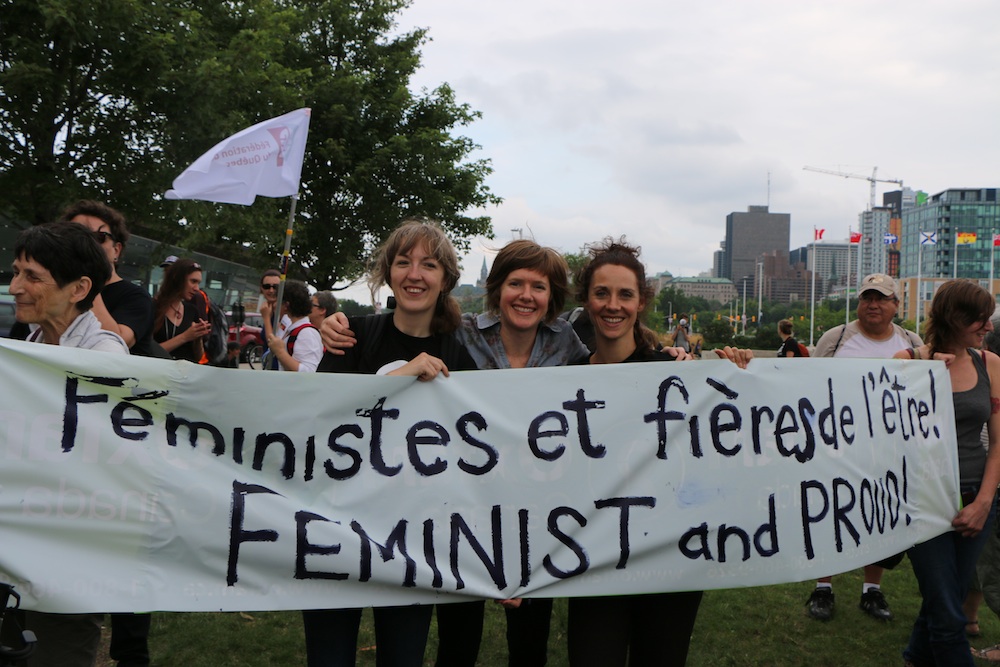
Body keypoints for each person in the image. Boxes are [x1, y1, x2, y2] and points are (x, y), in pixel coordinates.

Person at [321, 238, 593, 666]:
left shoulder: (570, 345)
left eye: (538, 287)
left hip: (534, 513)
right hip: (460, 512)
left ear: (552, 297)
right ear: (495, 288)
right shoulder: (460, 337)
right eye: (515, 283)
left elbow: (614, 384)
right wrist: (331, 323)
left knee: (530, 639)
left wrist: (669, 354)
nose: (526, 295)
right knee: (458, 638)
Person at [566, 237, 751, 667]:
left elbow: (729, 445)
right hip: (596, 562)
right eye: (602, 293)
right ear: (587, 300)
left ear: (642, 301)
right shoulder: (563, 383)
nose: (613, 305)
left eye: (625, 294)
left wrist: (739, 374)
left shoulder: (676, 373)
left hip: (670, 559)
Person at [305, 218, 478, 667]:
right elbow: (325, 416)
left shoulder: (460, 354)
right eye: (403, 262)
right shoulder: (351, 335)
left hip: (411, 540)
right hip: (336, 530)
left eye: (428, 265)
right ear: (388, 273)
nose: (414, 274)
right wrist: (405, 374)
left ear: (445, 280)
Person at [8, 222, 129, 667]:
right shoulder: (32, 345)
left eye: (32, 276)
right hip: (24, 547)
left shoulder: (105, 360)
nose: (15, 286)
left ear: (79, 288)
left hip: (71, 553)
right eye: (16, 271)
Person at [61, 201, 158, 665]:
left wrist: (91, 283)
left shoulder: (133, 298)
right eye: (74, 235)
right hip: (72, 443)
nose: (85, 244)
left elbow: (116, 347)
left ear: (116, 249)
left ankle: (129, 651)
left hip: (125, 446)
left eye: (97, 238)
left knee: (127, 550)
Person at [806, 273, 923, 622]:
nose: (873, 304)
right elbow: (805, 386)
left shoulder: (911, 340)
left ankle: (871, 590)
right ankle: (823, 587)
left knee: (878, 515)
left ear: (895, 305)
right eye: (867, 297)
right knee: (830, 513)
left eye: (882, 298)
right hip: (837, 445)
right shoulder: (836, 338)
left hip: (889, 450)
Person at [895, 279, 1000, 667]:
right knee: (948, 610)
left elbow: (998, 445)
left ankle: (915, 657)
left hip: (976, 496)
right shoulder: (906, 363)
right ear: (954, 317)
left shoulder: (990, 364)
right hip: (922, 499)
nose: (988, 327)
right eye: (980, 319)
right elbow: (883, 434)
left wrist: (984, 503)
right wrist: (925, 382)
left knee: (946, 595)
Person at [153, 258, 211, 362]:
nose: (197, 288)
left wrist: (198, 337)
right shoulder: (152, 308)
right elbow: (147, 353)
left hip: (186, 375)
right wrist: (185, 337)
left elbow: (198, 357)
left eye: (198, 283)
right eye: (193, 281)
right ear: (177, 278)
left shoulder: (192, 310)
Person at [266, 279, 322, 373]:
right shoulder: (291, 328)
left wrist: (280, 352)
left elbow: (309, 372)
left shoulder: (306, 333)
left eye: (277, 301)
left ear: (286, 305)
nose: (274, 305)